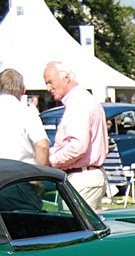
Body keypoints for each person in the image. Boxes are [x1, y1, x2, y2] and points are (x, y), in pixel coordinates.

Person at [42, 62, 108, 209]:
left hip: (81, 178)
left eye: (50, 82)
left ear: (66, 78)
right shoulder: (82, 100)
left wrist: (50, 162)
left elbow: (77, 146)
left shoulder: (79, 103)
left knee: (75, 231)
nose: (48, 88)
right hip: (85, 177)